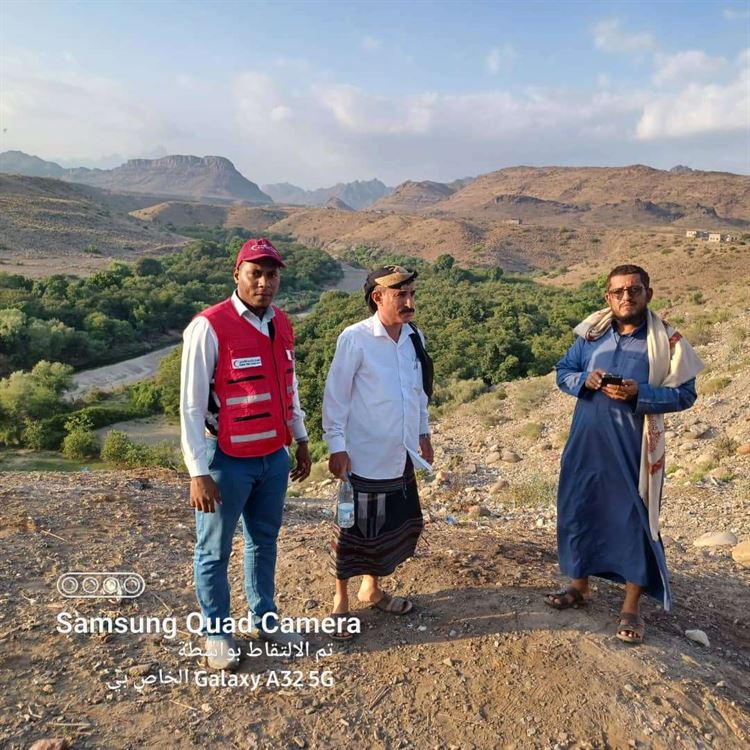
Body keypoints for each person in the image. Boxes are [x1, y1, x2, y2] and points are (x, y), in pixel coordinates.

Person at [546, 264, 703, 644]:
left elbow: (685, 394)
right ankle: (579, 586)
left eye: (633, 290)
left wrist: (640, 393)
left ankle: (631, 606)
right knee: (578, 509)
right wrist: (583, 379)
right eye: (617, 292)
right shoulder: (591, 335)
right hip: (585, 443)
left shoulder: (668, 343)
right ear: (608, 297)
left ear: (648, 292)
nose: (625, 297)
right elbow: (563, 370)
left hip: (634, 450)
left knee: (634, 519)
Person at [180, 237, 311, 670]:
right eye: (255, 273)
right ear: (237, 274)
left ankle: (265, 618)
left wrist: (302, 438)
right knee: (214, 549)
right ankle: (216, 631)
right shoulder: (209, 326)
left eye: (272, 275)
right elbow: (192, 406)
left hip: (273, 456)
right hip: (226, 459)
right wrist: (198, 472)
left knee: (264, 541)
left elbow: (288, 386)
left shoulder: (283, 323)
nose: (264, 283)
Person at [322, 265, 434, 639]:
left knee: (388, 527)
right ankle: (341, 602)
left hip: (399, 453)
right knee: (352, 529)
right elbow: (335, 398)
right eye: (401, 295)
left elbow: (417, 391)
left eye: (411, 294)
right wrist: (336, 446)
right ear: (377, 298)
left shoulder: (413, 337)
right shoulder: (355, 339)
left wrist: (423, 432)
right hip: (362, 457)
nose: (409, 302)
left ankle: (371, 588)